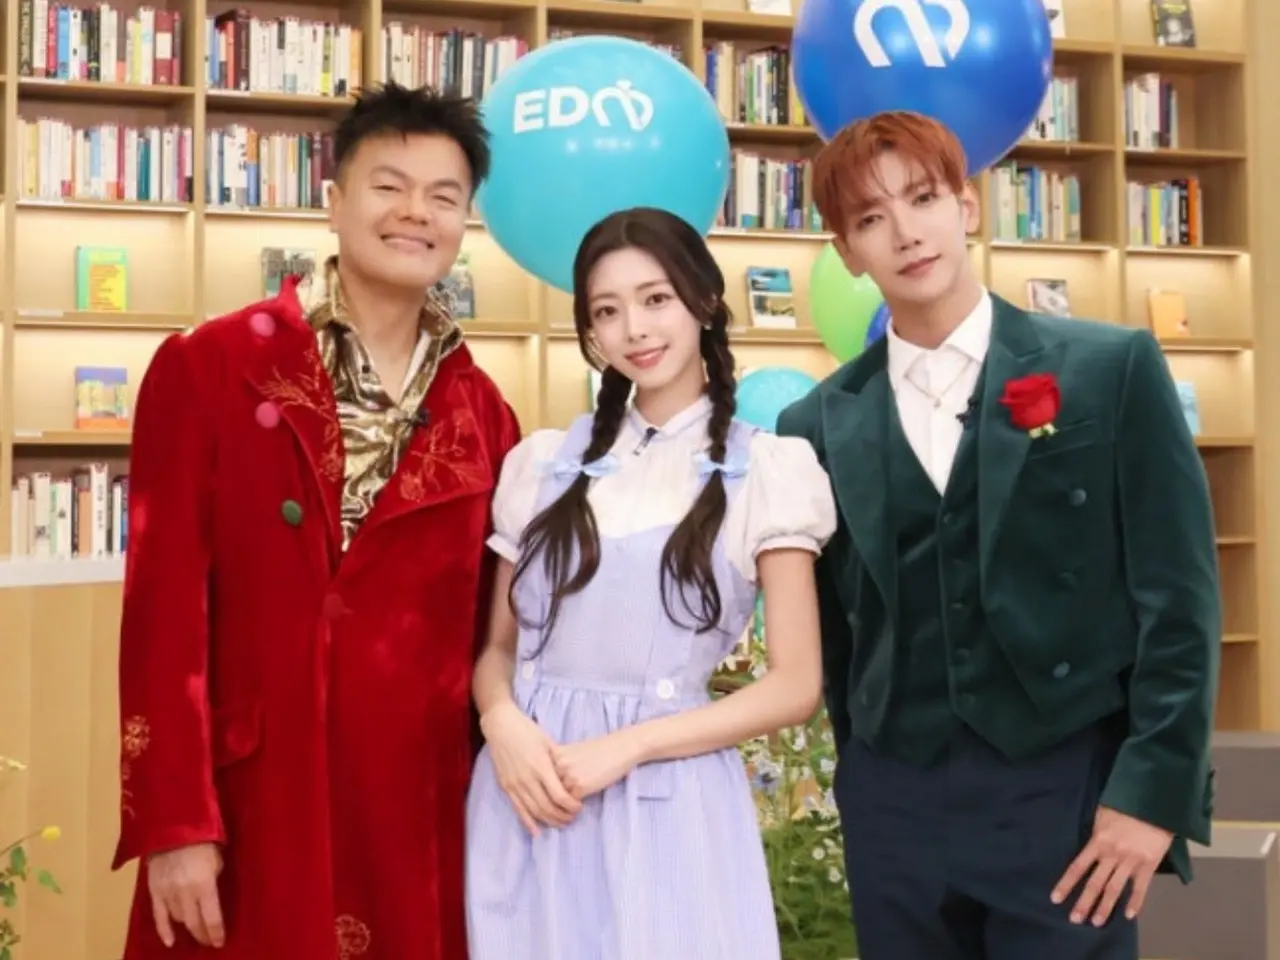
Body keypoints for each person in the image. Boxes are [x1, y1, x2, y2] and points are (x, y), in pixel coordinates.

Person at [776, 109, 1221, 960]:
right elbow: (838, 636)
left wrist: (1152, 794)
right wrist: (861, 783)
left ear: (968, 205)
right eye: (871, 218)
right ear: (847, 252)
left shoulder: (1110, 370)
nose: (906, 233)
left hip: (1066, 797)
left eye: (922, 198)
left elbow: (1179, 601)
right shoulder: (816, 423)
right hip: (894, 811)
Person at [111, 81, 521, 960]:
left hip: (415, 815)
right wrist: (174, 821)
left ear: (464, 224)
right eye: (388, 186)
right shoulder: (210, 366)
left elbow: (498, 632)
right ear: (333, 202)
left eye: (443, 197)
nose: (415, 213)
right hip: (253, 798)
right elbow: (161, 615)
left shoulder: (486, 414)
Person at [464, 206, 836, 960]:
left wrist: (626, 748)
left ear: (705, 299)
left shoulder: (768, 470)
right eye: (607, 310)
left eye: (656, 298)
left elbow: (795, 686)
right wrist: (501, 722)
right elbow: (498, 649)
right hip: (530, 796)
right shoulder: (541, 463)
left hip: (670, 799)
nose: (634, 328)